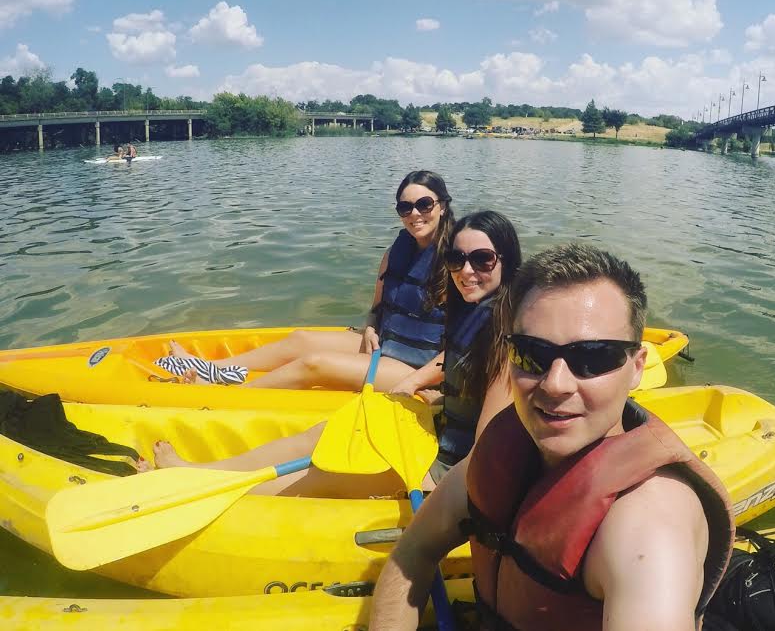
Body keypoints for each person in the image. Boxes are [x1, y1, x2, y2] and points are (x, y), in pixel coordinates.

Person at [370, 243, 734, 631]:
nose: (556, 384)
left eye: (592, 357)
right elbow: (412, 551)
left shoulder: (647, 530)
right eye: (532, 354)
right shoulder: (505, 451)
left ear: (637, 367)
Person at [139, 210, 521, 500]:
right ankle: (199, 472)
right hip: (435, 434)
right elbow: (451, 359)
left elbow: (487, 451)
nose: (466, 271)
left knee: (319, 472)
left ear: (506, 261)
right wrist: (419, 385)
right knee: (322, 436)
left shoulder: (508, 340)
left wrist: (433, 492)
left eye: (483, 260)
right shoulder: (476, 310)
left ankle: (190, 490)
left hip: (443, 469)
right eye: (456, 260)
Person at [158, 170, 456, 392]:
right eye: (405, 208)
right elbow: (377, 308)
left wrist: (419, 382)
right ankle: (209, 369)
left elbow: (466, 345)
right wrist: (370, 328)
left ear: (442, 205)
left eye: (424, 205)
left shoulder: (460, 263)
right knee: (301, 339)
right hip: (385, 346)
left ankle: (231, 393)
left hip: (419, 368)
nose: (414, 214)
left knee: (315, 363)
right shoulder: (394, 254)